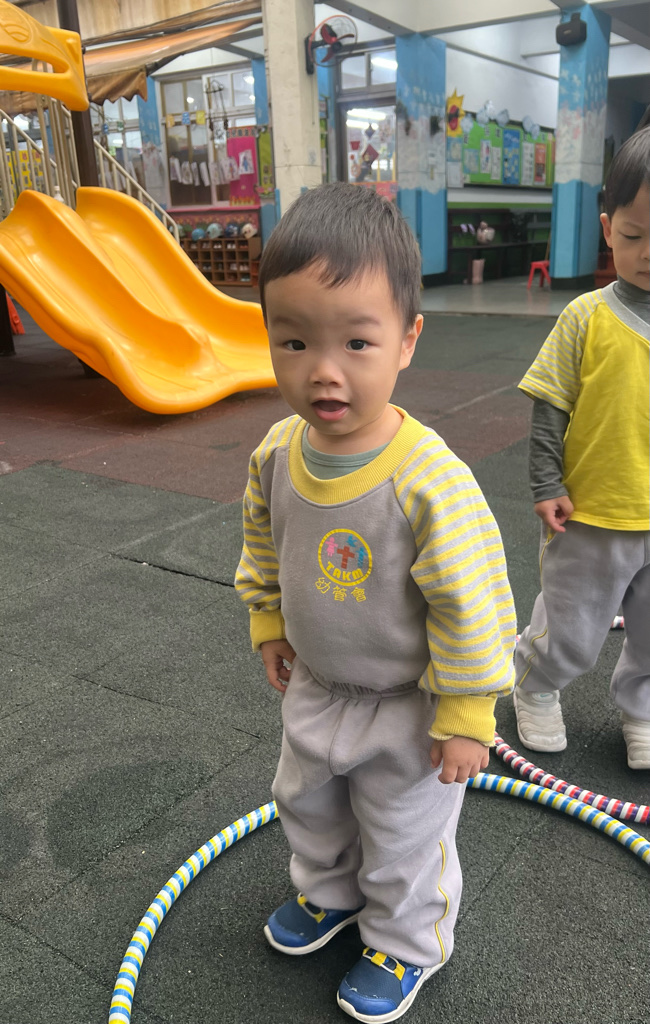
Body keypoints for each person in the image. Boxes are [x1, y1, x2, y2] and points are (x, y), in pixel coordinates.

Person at [235, 182, 516, 1021]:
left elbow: (472, 601)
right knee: (307, 804)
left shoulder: (428, 481)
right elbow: (263, 540)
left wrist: (466, 711)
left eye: (357, 342)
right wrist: (269, 620)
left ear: (407, 341)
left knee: (402, 836)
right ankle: (330, 892)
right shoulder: (278, 453)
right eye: (294, 342)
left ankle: (406, 943)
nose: (323, 371)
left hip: (408, 708)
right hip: (318, 686)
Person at [513, 127, 650, 767]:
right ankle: (536, 683)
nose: (648, 253)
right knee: (571, 624)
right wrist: (547, 484)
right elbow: (550, 406)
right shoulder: (586, 317)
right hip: (591, 515)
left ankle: (642, 708)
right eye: (634, 235)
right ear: (607, 229)